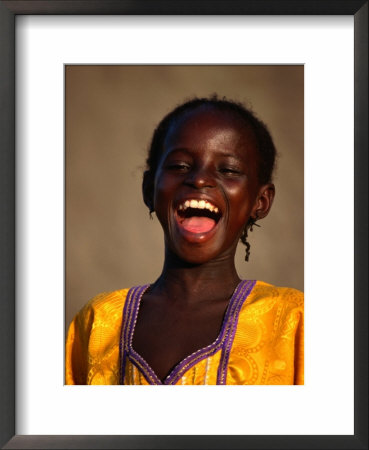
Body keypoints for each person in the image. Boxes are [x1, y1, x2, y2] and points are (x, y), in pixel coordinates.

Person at [65, 96, 304, 385]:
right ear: (149, 188)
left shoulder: (294, 322)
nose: (200, 180)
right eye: (179, 166)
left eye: (228, 170)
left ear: (260, 201)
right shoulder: (97, 322)